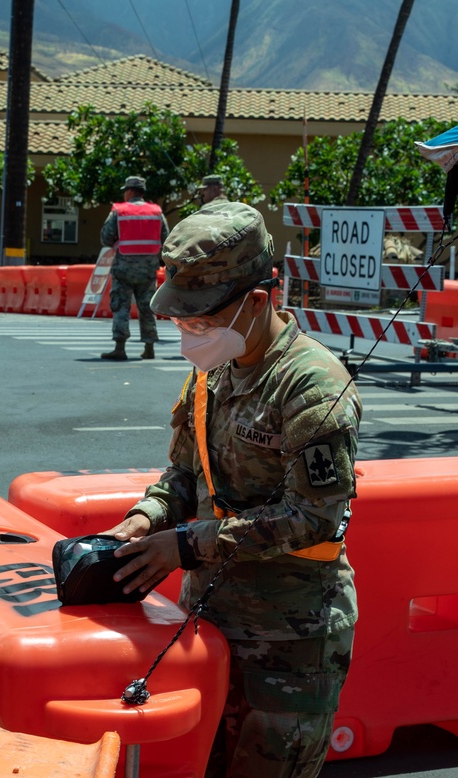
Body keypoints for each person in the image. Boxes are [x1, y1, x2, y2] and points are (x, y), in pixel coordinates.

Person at [101, 202, 360, 777]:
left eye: (202, 321)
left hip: (290, 640)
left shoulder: (312, 388)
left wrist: (188, 545)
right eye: (184, 322)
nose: (191, 335)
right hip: (210, 622)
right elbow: (184, 476)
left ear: (257, 302)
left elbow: (312, 518)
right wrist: (146, 518)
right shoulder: (212, 367)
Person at [99, 175, 169, 360]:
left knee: (121, 306)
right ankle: (149, 347)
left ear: (129, 191)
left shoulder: (119, 211)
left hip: (124, 268)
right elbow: (167, 238)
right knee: (147, 306)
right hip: (148, 269)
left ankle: (120, 347)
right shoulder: (156, 212)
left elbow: (105, 238)